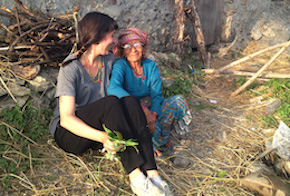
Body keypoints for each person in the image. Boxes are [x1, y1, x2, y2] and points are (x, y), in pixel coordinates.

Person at [49, 12, 171, 196]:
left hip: (99, 128)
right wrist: (104, 138)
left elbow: (124, 95)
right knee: (111, 103)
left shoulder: (108, 61)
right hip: (70, 135)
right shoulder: (70, 68)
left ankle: (153, 174)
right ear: (97, 37)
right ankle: (136, 177)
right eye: (111, 36)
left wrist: (142, 109)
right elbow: (66, 119)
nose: (114, 41)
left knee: (130, 100)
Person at [107, 28, 192, 158]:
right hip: (134, 112)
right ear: (123, 50)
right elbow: (113, 88)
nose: (133, 49)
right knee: (137, 119)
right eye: (128, 46)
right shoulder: (121, 65)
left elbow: (156, 95)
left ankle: (158, 141)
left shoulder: (149, 65)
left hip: (151, 110)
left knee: (178, 101)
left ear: (143, 47)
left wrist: (153, 114)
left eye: (137, 45)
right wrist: (142, 110)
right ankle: (153, 144)